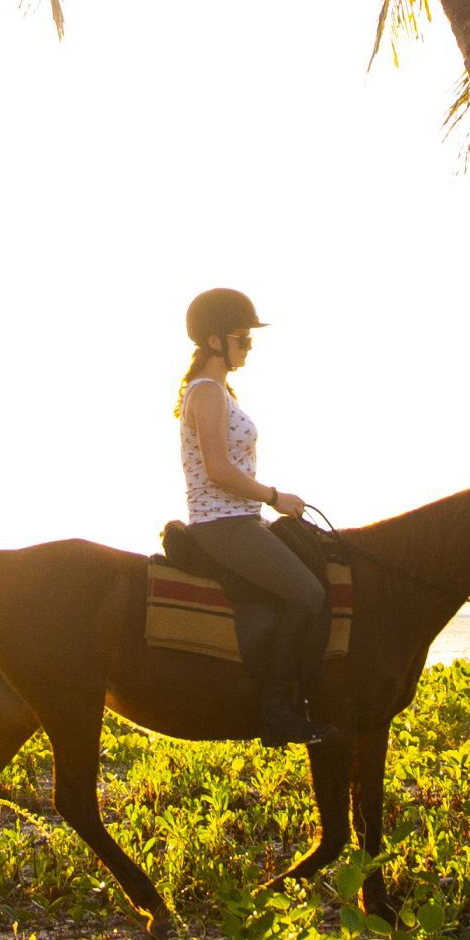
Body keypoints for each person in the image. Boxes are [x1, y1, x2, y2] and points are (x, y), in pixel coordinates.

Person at [173, 286, 329, 745]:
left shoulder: (220, 390)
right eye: (243, 339)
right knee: (307, 593)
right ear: (216, 341)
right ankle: (278, 714)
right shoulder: (207, 393)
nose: (248, 348)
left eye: (249, 340)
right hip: (223, 524)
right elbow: (218, 469)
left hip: (240, 518)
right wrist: (274, 496)